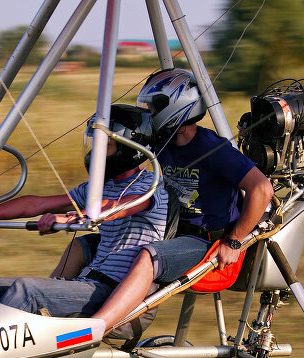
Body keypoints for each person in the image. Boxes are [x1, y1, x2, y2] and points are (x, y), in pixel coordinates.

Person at [91, 69, 274, 336]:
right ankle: (54, 313)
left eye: (155, 107)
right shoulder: (163, 142)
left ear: (177, 105)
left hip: (206, 242)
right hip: (173, 231)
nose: (150, 114)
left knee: (148, 255)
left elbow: (262, 189)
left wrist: (234, 241)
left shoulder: (213, 148)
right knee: (91, 242)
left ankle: (96, 326)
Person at [0, 105, 168, 318]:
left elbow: (116, 207)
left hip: (111, 291)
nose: (97, 152)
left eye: (107, 145)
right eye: (96, 143)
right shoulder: (98, 187)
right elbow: (36, 205)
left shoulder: (150, 186)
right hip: (86, 281)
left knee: (26, 291)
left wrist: (72, 218)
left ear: (130, 150)